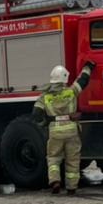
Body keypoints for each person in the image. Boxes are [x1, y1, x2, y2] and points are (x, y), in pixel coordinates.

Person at [33, 61, 95, 194]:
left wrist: (44, 124)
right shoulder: (71, 92)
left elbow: (36, 114)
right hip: (72, 130)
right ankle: (71, 187)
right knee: (72, 159)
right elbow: (83, 80)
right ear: (65, 79)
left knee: (53, 158)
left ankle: (55, 181)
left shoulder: (44, 96)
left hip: (55, 131)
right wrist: (88, 67)